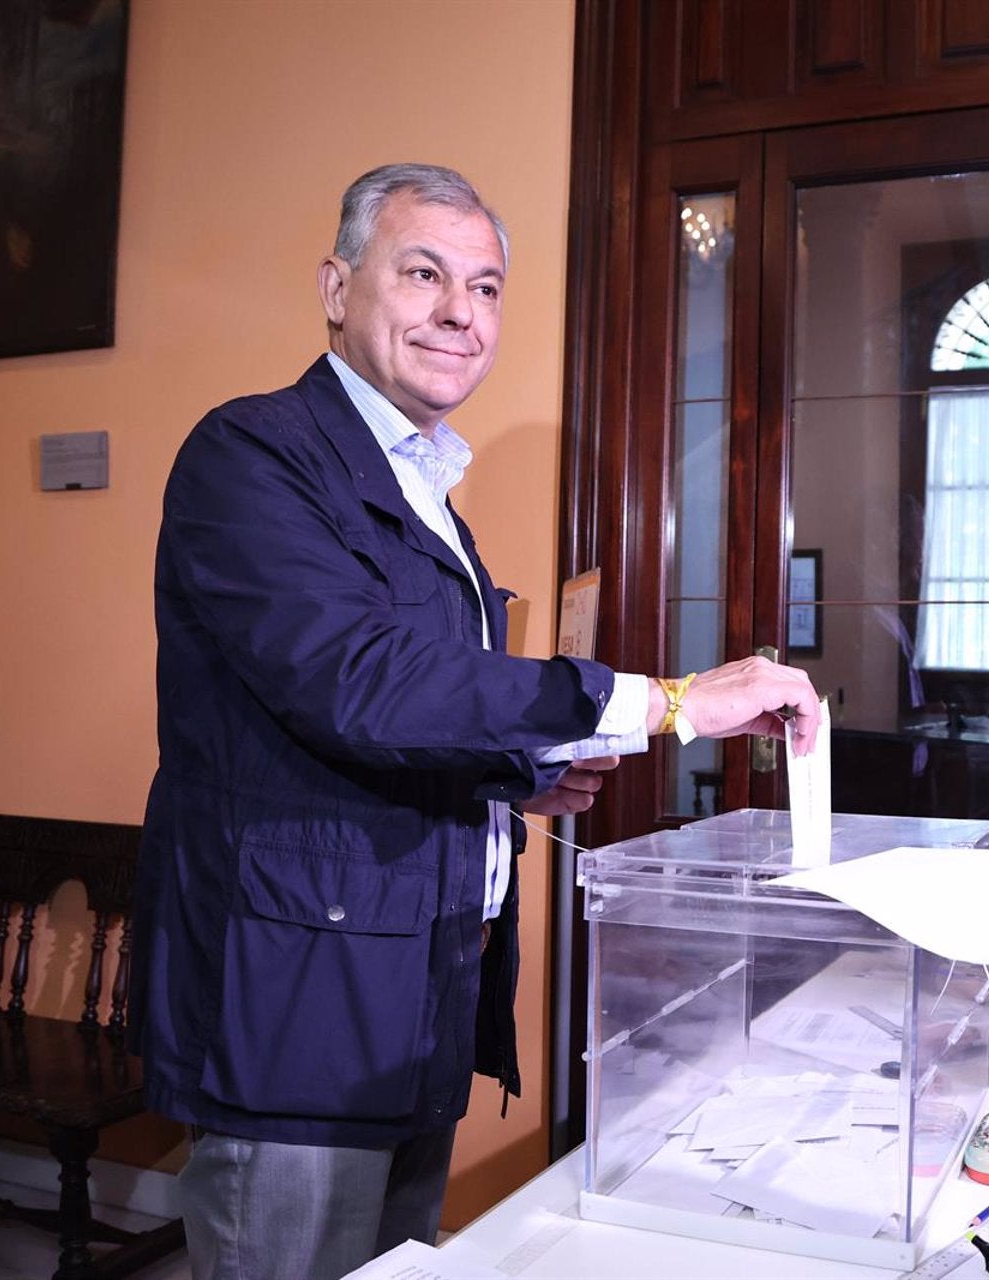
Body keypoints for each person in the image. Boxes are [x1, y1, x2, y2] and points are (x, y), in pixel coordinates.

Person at [128, 163, 821, 1280]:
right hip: (298, 1006)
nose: (462, 311)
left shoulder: (425, 489)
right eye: (424, 274)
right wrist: (671, 702)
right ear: (337, 289)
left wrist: (512, 775)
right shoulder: (252, 453)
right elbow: (359, 681)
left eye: (486, 287)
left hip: (420, 991)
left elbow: (400, 718)